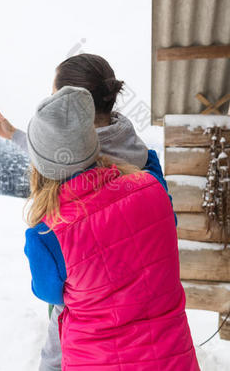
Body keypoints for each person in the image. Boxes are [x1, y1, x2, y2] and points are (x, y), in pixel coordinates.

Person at [0, 54, 173, 371]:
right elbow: (168, 221)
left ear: (72, 104)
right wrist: (14, 133)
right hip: (152, 311)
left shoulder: (56, 220)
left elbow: (50, 290)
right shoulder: (142, 159)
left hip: (88, 323)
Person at [22, 86, 200, 370]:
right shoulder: (153, 188)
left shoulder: (46, 235)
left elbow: (50, 294)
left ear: (40, 166)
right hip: (172, 358)